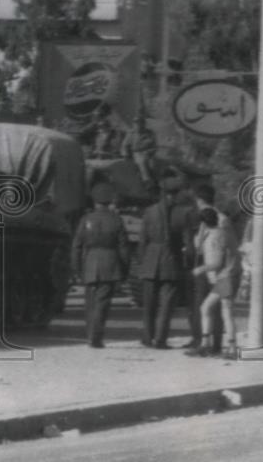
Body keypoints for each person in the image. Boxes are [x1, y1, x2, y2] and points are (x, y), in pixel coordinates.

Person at [72, 182, 130, 348]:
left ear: (94, 201)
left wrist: (77, 268)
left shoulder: (86, 219)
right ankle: (96, 336)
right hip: (110, 263)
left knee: (90, 302)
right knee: (102, 303)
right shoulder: (116, 220)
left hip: (90, 262)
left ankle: (90, 333)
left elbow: (76, 246)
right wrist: (124, 270)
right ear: (110, 200)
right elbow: (123, 248)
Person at [136, 170, 189, 348]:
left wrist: (142, 262)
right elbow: (187, 244)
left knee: (149, 304)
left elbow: (143, 240)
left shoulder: (149, 212)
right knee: (167, 305)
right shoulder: (183, 213)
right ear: (177, 193)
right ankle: (160, 339)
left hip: (151, 260)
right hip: (171, 262)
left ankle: (147, 337)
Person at [188, 206, 242, 359]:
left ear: (203, 223)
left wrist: (200, 269)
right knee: (225, 311)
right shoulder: (223, 232)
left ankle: (207, 344)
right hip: (230, 276)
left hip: (224, 278)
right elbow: (199, 246)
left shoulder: (214, 237)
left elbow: (216, 262)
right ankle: (230, 346)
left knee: (208, 308)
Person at [182, 184, 225, 353]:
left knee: (203, 305)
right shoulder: (221, 217)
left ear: (199, 200)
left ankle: (204, 342)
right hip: (209, 265)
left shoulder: (206, 217)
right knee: (212, 307)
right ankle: (212, 343)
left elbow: (198, 245)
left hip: (206, 266)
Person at [120, 114, 157, 188]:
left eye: (140, 123)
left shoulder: (149, 132)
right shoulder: (131, 133)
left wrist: (149, 151)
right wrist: (125, 154)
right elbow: (124, 145)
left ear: (143, 123)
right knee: (141, 161)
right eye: (136, 123)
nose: (138, 125)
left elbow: (152, 143)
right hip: (136, 153)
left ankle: (157, 182)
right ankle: (147, 180)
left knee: (153, 165)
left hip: (148, 152)